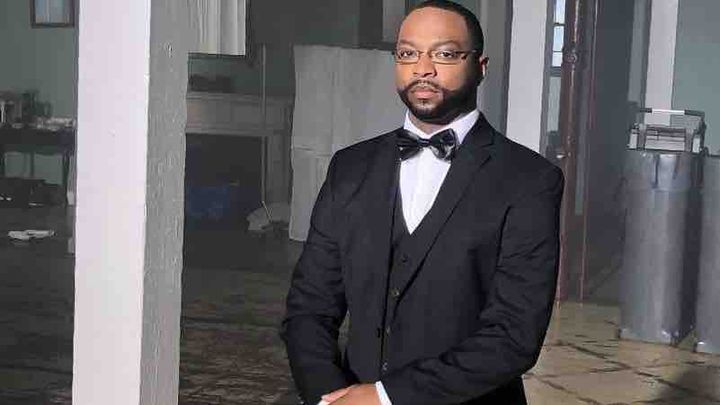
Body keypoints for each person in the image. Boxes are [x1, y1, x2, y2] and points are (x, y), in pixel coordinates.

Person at [281, 1, 564, 404]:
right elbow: (310, 306)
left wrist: (384, 398)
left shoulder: (530, 180)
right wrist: (328, 395)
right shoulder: (350, 167)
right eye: (408, 53)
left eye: (444, 54)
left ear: (480, 67)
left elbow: (513, 336)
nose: (423, 68)